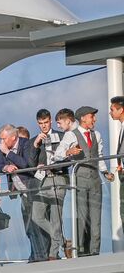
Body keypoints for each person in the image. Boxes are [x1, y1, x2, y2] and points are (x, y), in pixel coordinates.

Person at [30, 110, 72, 261]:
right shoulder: (35, 140)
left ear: (51, 122)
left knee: (56, 218)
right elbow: (30, 163)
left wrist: (52, 165)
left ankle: (53, 254)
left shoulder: (62, 137)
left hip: (58, 178)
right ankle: (64, 242)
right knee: (36, 216)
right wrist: (35, 145)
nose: (44, 126)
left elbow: (68, 158)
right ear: (37, 123)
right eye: (41, 124)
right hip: (42, 181)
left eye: (46, 123)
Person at [0, 124, 37, 263]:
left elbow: (25, 164)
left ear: (13, 137)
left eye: (3, 138)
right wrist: (6, 166)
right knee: (28, 226)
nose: (1, 142)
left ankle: (42, 254)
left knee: (37, 223)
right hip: (21, 192)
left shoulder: (26, 144)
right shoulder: (4, 148)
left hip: (33, 189)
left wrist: (8, 153)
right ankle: (34, 254)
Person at [70, 106, 105, 256]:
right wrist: (68, 152)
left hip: (95, 179)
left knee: (96, 218)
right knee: (82, 217)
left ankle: (95, 250)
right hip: (80, 179)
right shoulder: (71, 135)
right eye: (92, 116)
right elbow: (58, 155)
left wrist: (105, 172)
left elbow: (100, 156)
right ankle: (80, 250)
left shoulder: (96, 134)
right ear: (83, 118)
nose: (94, 119)